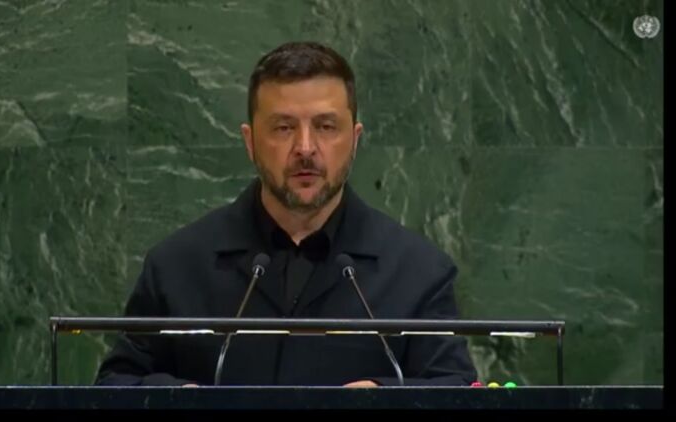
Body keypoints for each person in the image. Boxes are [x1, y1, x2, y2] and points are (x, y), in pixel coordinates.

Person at [95, 41, 477, 387]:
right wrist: (176, 399)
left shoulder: (419, 272)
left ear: (355, 140)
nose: (305, 148)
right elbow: (116, 383)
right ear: (250, 142)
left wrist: (384, 398)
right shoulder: (176, 266)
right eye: (283, 127)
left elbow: (455, 387)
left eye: (325, 126)